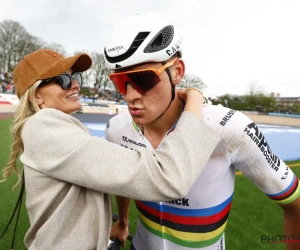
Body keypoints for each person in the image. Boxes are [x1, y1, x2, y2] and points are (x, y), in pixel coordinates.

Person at [103, 12, 300, 250]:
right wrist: (123, 221)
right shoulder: (117, 129)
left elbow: (294, 204)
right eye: (120, 81)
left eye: (143, 79)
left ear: (177, 71)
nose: (130, 95)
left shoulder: (230, 128)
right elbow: (124, 180)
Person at [0, 49, 220, 250]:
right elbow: (168, 177)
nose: (75, 85)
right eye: (64, 80)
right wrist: (194, 100)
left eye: (76, 77)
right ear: (36, 96)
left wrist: (109, 231)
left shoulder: (53, 129)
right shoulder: (44, 127)